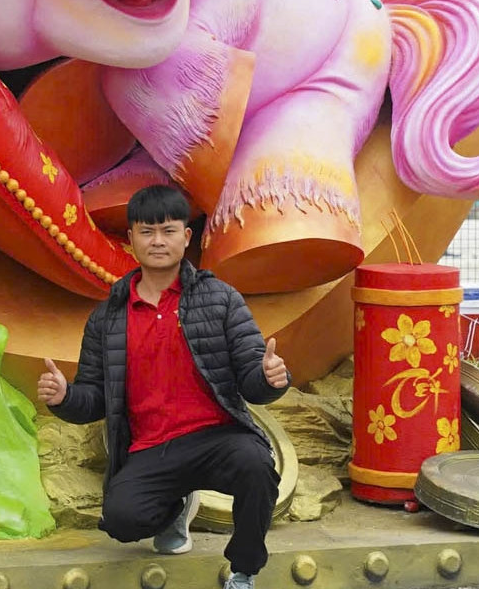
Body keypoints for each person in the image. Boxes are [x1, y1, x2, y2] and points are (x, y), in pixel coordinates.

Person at [38, 184, 290, 589]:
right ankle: (175, 507)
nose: (158, 241)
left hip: (217, 436)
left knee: (257, 466)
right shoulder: (108, 317)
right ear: (131, 238)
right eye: (147, 231)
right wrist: (65, 396)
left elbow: (251, 377)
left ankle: (243, 571)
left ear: (186, 237)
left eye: (168, 230)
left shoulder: (220, 299)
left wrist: (269, 377)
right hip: (151, 447)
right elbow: (95, 396)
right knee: (122, 521)